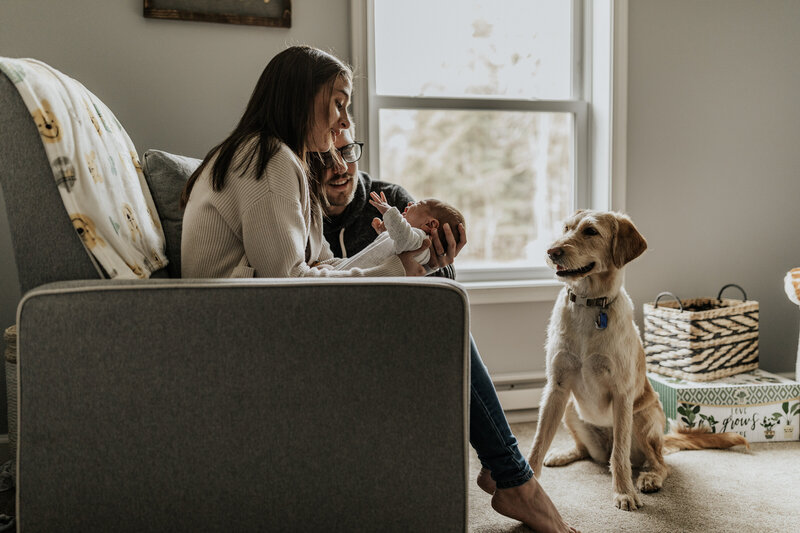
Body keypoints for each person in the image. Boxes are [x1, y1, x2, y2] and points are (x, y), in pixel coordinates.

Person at [315, 129, 578, 533]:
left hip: (397, 336)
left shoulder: (392, 198)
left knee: (446, 317)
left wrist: (443, 260)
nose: (339, 166)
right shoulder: (301, 213)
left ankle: (509, 474)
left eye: (348, 151)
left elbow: (438, 272)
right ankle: (512, 476)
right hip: (338, 337)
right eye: (326, 155)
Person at [180, 45, 428, 279]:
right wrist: (394, 271)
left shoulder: (290, 162)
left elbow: (324, 266)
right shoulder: (266, 157)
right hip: (228, 316)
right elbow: (290, 284)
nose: (345, 122)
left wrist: (408, 258)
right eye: (338, 104)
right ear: (302, 100)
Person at [331, 191, 465, 271]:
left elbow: (404, 237)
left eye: (418, 204)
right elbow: (394, 246)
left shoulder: (422, 241)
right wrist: (385, 231)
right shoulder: (414, 241)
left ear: (430, 224)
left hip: (356, 277)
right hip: (353, 270)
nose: (410, 203)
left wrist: (389, 212)